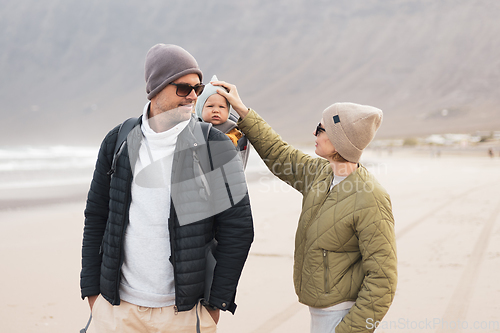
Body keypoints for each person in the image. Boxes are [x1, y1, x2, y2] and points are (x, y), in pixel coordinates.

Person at [80, 44, 254, 333]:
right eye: (184, 88)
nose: (194, 97)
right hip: (116, 310)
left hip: (184, 314)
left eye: (197, 88)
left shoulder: (214, 146)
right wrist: (92, 292)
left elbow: (238, 229)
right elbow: (96, 216)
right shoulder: (118, 141)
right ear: (156, 89)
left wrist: (215, 304)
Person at [211, 80, 397, 333]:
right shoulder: (320, 173)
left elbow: (383, 280)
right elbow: (279, 153)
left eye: (321, 128)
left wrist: (349, 330)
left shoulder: (371, 197)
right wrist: (242, 110)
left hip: (342, 316)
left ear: (340, 139)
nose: (314, 133)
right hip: (320, 313)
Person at [194, 75, 250, 167]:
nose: (216, 110)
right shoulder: (193, 129)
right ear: (200, 109)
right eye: (210, 106)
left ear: (228, 111)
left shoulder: (235, 133)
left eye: (221, 107)